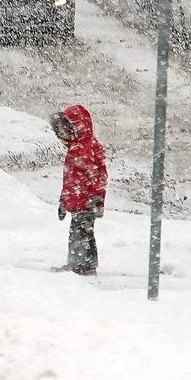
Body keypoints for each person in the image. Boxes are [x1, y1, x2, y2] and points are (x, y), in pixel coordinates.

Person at [51, 104, 107, 277]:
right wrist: (63, 201)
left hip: (86, 201)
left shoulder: (88, 147)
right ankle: (76, 263)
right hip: (78, 200)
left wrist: (97, 197)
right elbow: (69, 180)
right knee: (77, 232)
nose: (63, 134)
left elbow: (98, 175)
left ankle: (86, 265)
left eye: (66, 129)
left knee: (84, 233)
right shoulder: (75, 148)